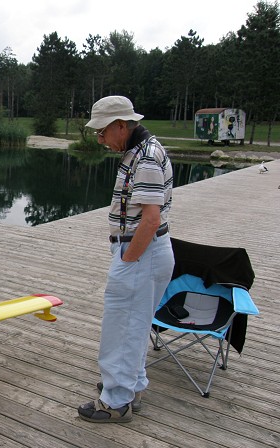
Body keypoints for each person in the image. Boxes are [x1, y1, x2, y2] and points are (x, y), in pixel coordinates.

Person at [77, 95, 174, 423]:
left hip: (141, 253)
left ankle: (116, 401)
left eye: (102, 132)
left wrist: (128, 260)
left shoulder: (145, 158)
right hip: (147, 252)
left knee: (122, 328)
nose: (101, 139)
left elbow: (150, 218)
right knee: (135, 325)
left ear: (122, 125)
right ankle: (133, 387)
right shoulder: (142, 150)